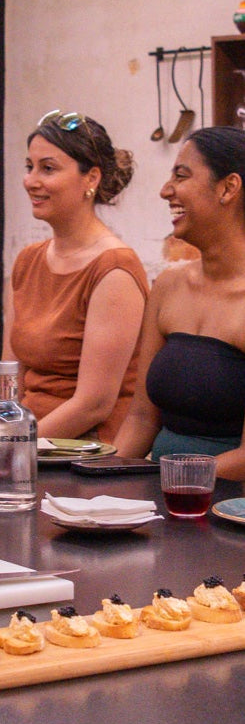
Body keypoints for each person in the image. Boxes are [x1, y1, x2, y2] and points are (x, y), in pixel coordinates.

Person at [4, 110, 147, 441]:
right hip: (25, 442)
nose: (31, 180)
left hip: (82, 452)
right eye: (30, 167)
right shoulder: (28, 260)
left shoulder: (114, 269)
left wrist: (11, 446)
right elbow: (9, 378)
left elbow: (93, 405)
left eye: (48, 168)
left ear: (91, 179)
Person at [115, 127, 245, 472]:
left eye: (181, 175)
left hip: (225, 507)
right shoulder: (169, 284)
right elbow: (142, 419)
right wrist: (98, 481)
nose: (165, 190)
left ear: (228, 188)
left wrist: (175, 481)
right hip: (163, 493)